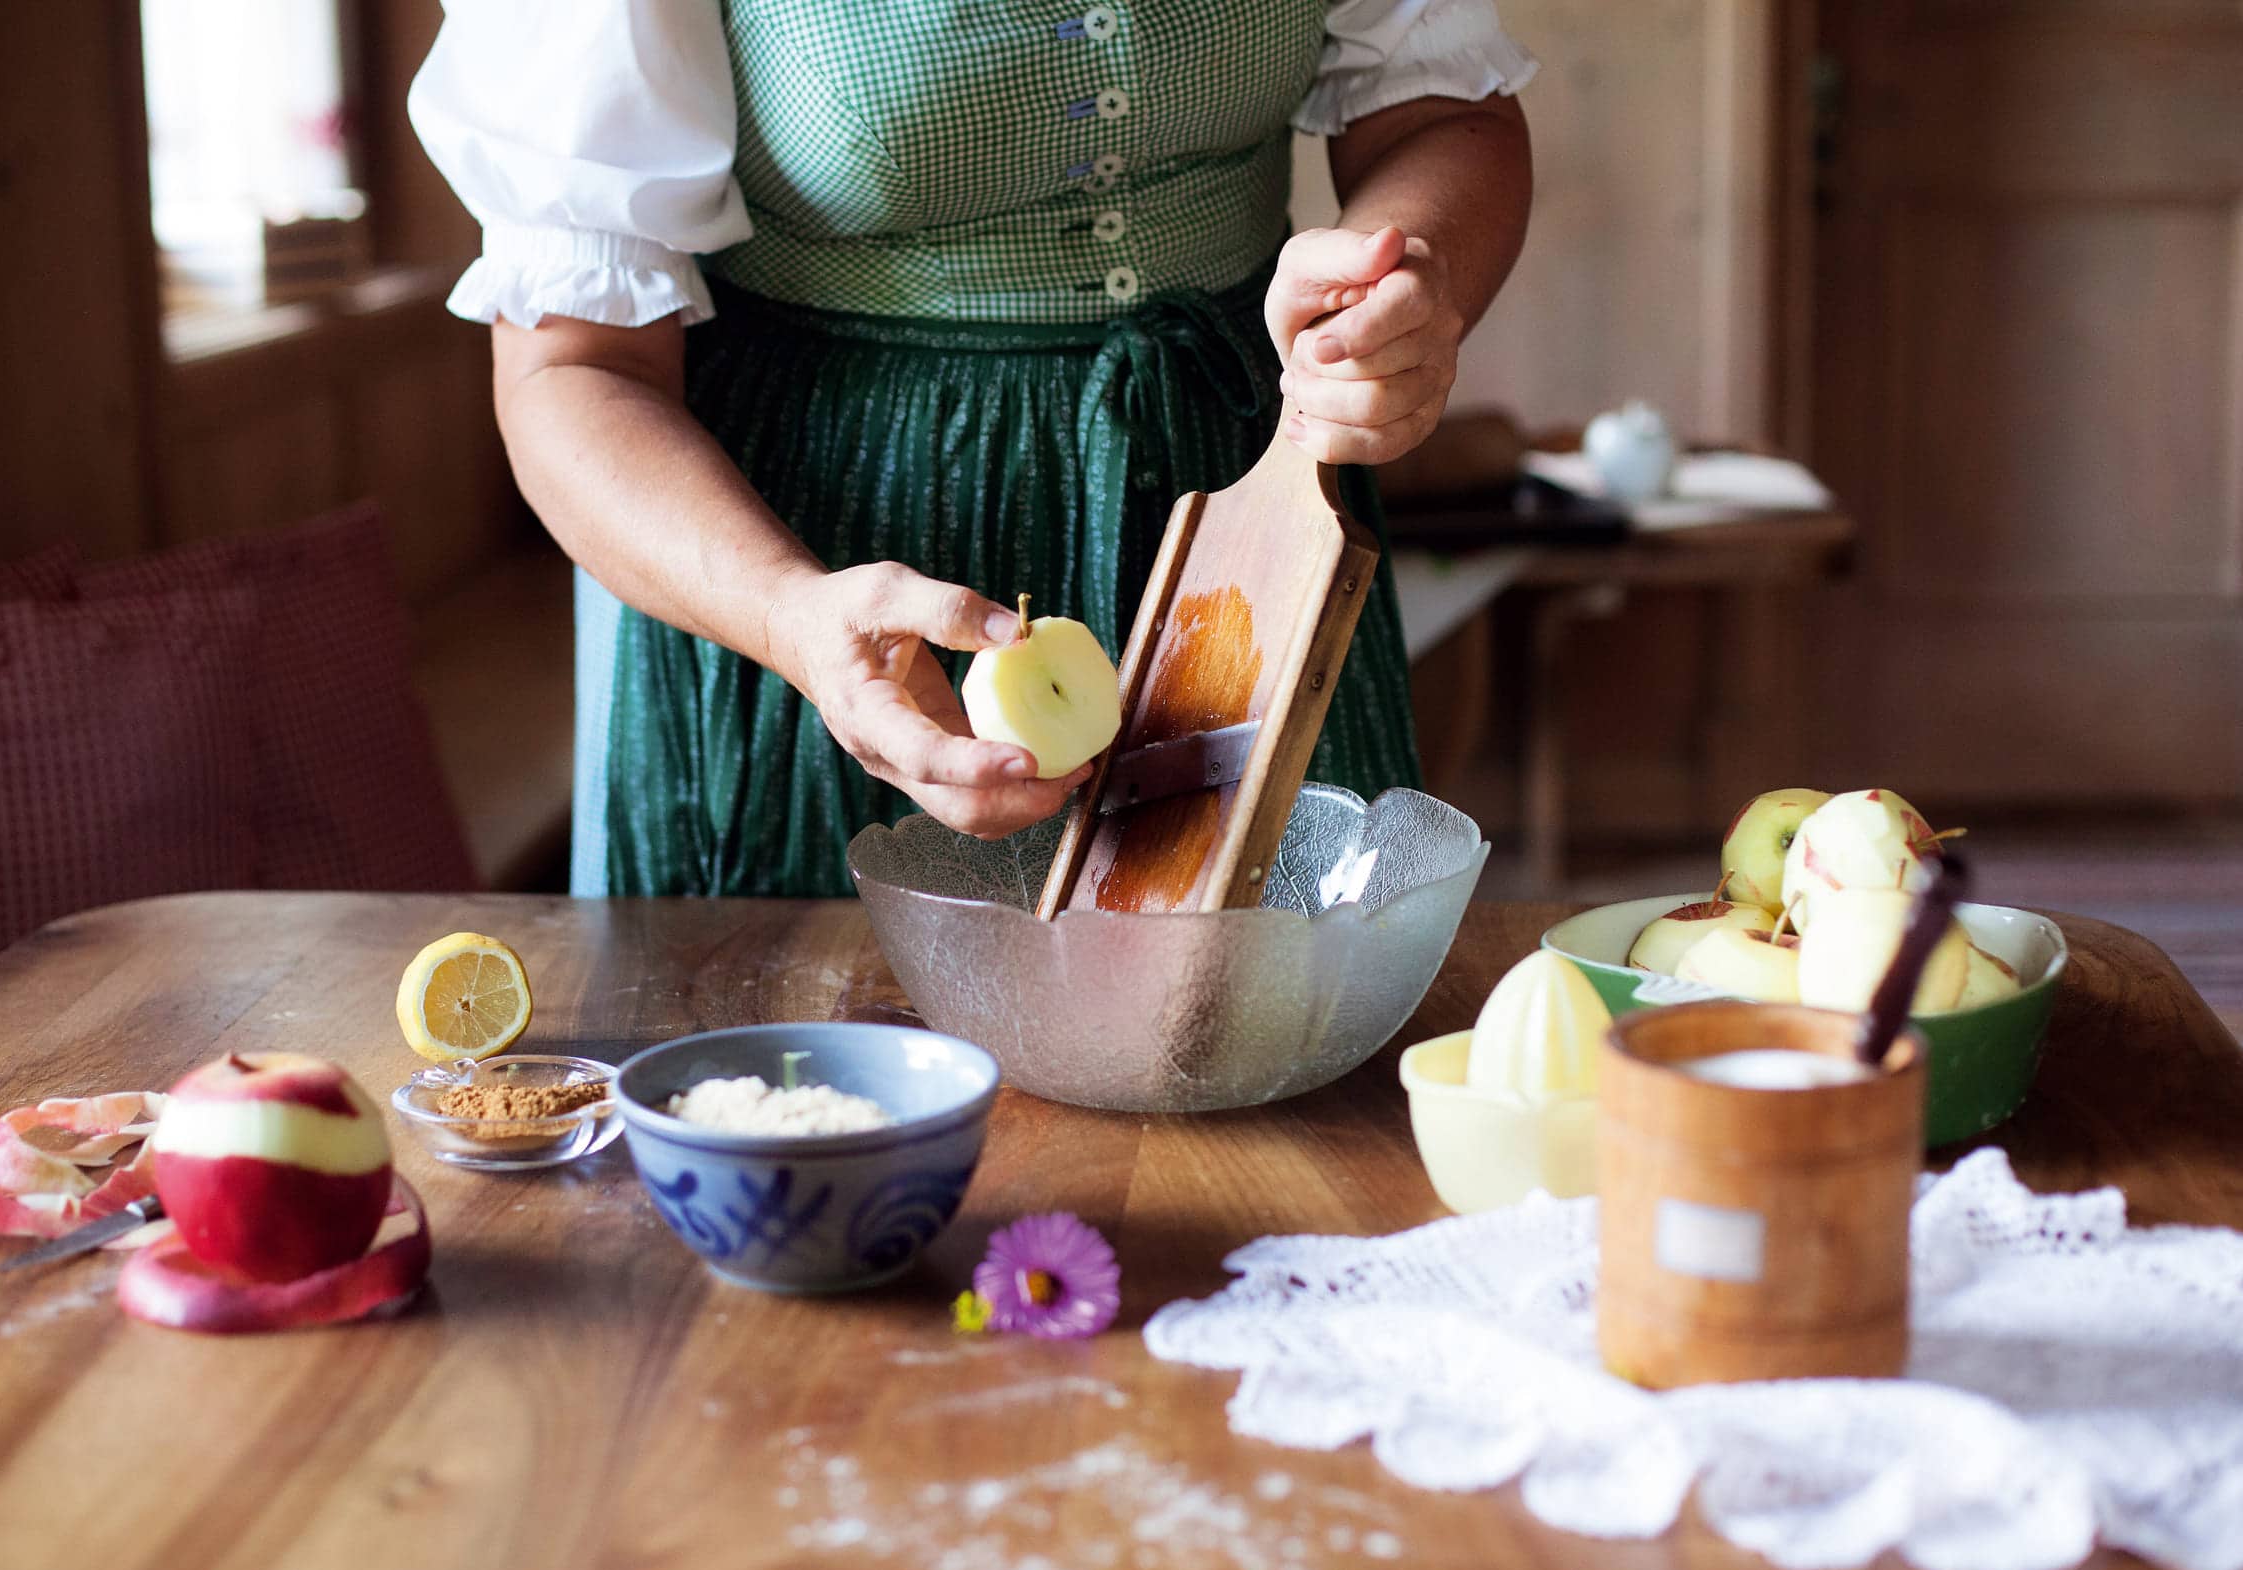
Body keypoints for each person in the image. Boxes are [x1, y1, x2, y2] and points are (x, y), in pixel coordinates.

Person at [411, 0, 1534, 897]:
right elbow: (575, 369)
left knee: (1273, 1051)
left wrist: (1402, 281)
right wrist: (792, 616)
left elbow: (1443, 111)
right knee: (822, 1084)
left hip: (1245, 510)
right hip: (813, 562)